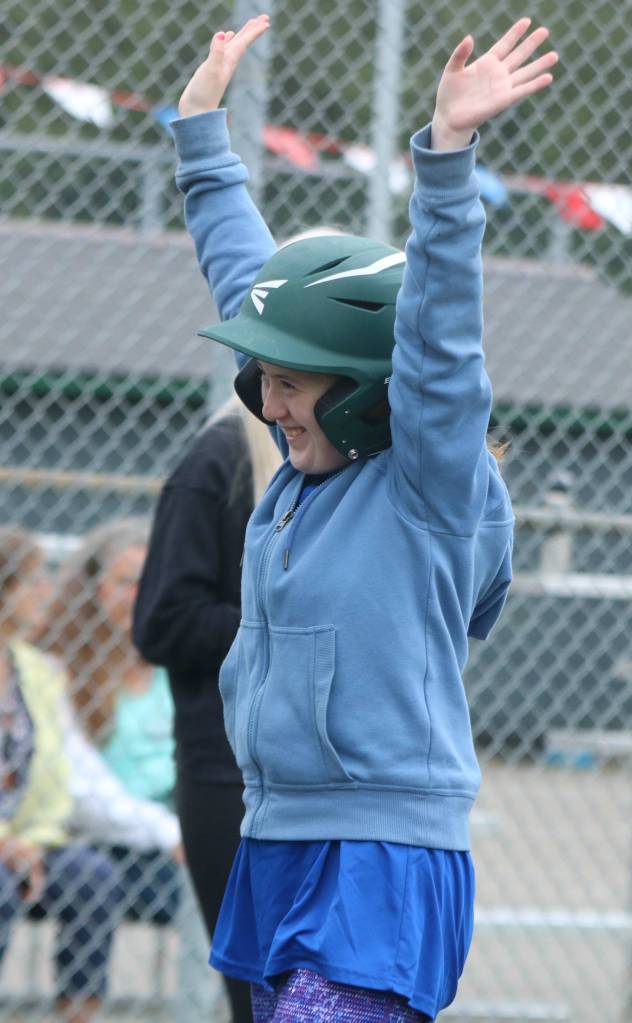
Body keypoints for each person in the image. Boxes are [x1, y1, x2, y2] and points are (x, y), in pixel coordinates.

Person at [170, 14, 557, 1023]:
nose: (269, 404)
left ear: (368, 391)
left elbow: (439, 341)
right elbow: (246, 279)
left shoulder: (424, 484)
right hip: (276, 833)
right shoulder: (307, 468)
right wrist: (201, 136)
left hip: (379, 853)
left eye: (292, 385)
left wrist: (447, 156)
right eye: (264, 380)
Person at [133, 396, 281, 1023]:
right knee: (259, 992)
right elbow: (162, 622)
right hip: (227, 774)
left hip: (316, 774)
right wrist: (286, 625)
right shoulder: (219, 461)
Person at [0, 525, 124, 1023]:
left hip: (29, 838)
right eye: (34, 581)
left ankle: (78, 1015)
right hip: (6, 845)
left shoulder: (37, 670)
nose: (46, 592)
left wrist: (29, 841)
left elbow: (67, 768)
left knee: (92, 877)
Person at [40, 519, 183, 926]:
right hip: (103, 836)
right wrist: (167, 831)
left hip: (175, 824)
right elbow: (82, 790)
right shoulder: (62, 670)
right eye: (125, 582)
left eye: (149, 582)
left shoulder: (173, 662)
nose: (139, 596)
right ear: (93, 589)